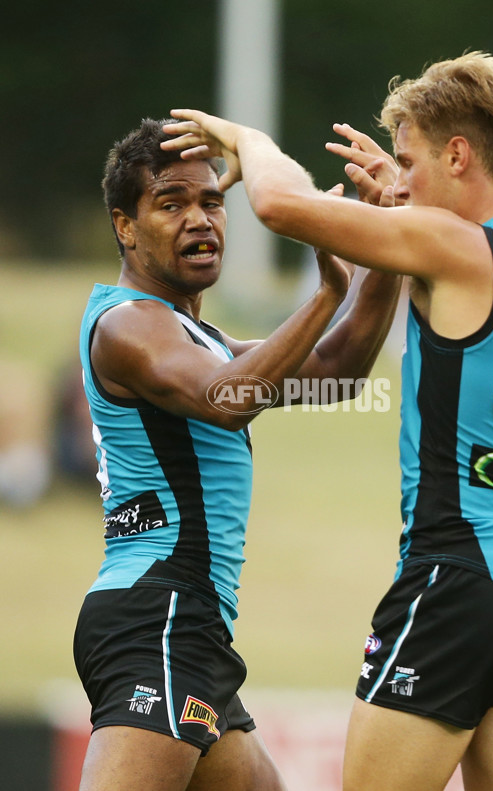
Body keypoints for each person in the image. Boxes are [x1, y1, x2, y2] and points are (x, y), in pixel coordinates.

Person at [161, 52, 493, 791]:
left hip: (458, 582)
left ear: (458, 154)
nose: (399, 182)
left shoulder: (457, 245)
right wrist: (398, 208)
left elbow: (278, 209)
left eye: (409, 161)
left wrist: (251, 142)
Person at [74, 118, 401, 791]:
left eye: (211, 201)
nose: (199, 219)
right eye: (170, 203)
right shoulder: (129, 324)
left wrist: (385, 242)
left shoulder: (195, 335)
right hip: (157, 616)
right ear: (124, 226)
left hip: (191, 625)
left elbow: (340, 367)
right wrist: (326, 296)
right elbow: (228, 399)